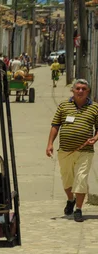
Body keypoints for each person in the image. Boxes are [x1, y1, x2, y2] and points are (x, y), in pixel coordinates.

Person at [46, 79, 98, 222]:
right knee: (67, 179)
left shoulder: (95, 108)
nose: (80, 91)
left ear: (88, 91)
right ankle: (70, 199)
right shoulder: (63, 106)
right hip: (65, 151)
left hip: (85, 151)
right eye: (78, 88)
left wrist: (95, 138)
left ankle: (79, 209)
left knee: (81, 179)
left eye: (84, 89)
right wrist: (50, 144)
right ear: (73, 90)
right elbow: (55, 125)